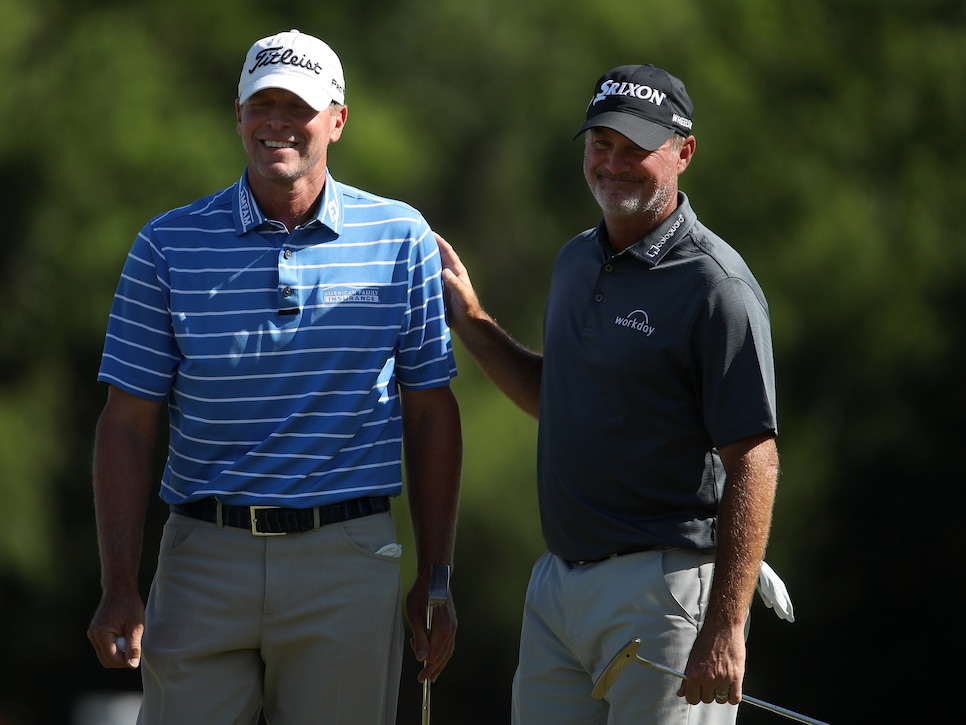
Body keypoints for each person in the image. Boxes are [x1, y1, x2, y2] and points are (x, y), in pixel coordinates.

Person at [86, 29, 462, 725]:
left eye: (299, 106)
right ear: (237, 116)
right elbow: (127, 423)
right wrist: (118, 582)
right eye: (262, 104)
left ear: (338, 121)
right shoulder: (166, 244)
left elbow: (431, 411)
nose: (277, 122)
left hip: (346, 556)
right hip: (203, 554)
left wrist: (436, 575)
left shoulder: (400, 236)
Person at [437, 64, 781, 724]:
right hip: (557, 590)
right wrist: (473, 323)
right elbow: (555, 395)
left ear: (684, 153)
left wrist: (726, 625)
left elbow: (754, 458)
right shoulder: (575, 261)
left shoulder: (717, 286)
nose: (614, 163)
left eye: (636, 148)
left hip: (665, 591)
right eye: (602, 144)